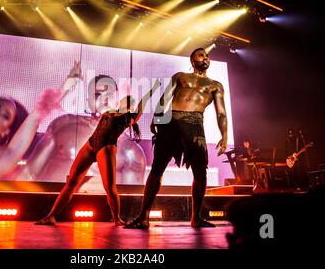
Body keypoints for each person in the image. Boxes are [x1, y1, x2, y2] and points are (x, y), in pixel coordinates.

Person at [125, 47, 228, 229]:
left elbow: (221, 113)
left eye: (208, 55)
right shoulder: (180, 76)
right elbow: (164, 99)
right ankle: (143, 217)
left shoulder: (215, 85)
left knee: (200, 172)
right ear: (192, 60)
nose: (206, 57)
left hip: (195, 125)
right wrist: (157, 119)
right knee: (157, 169)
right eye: (201, 54)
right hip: (171, 122)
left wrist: (224, 135)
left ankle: (196, 218)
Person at [35, 80, 161, 226]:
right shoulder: (108, 113)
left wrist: (152, 91)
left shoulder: (128, 118)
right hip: (91, 145)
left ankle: (116, 219)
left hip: (106, 149)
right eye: (125, 100)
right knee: (71, 181)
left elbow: (142, 103)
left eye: (130, 102)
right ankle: (51, 216)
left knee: (109, 186)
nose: (126, 102)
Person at [23, 74, 147, 185]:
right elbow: (28, 173)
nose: (104, 100)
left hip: (92, 208)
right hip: (47, 203)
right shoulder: (62, 125)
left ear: (117, 101)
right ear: (88, 101)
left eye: (109, 94)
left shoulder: (130, 152)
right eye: (98, 94)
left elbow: (130, 200)